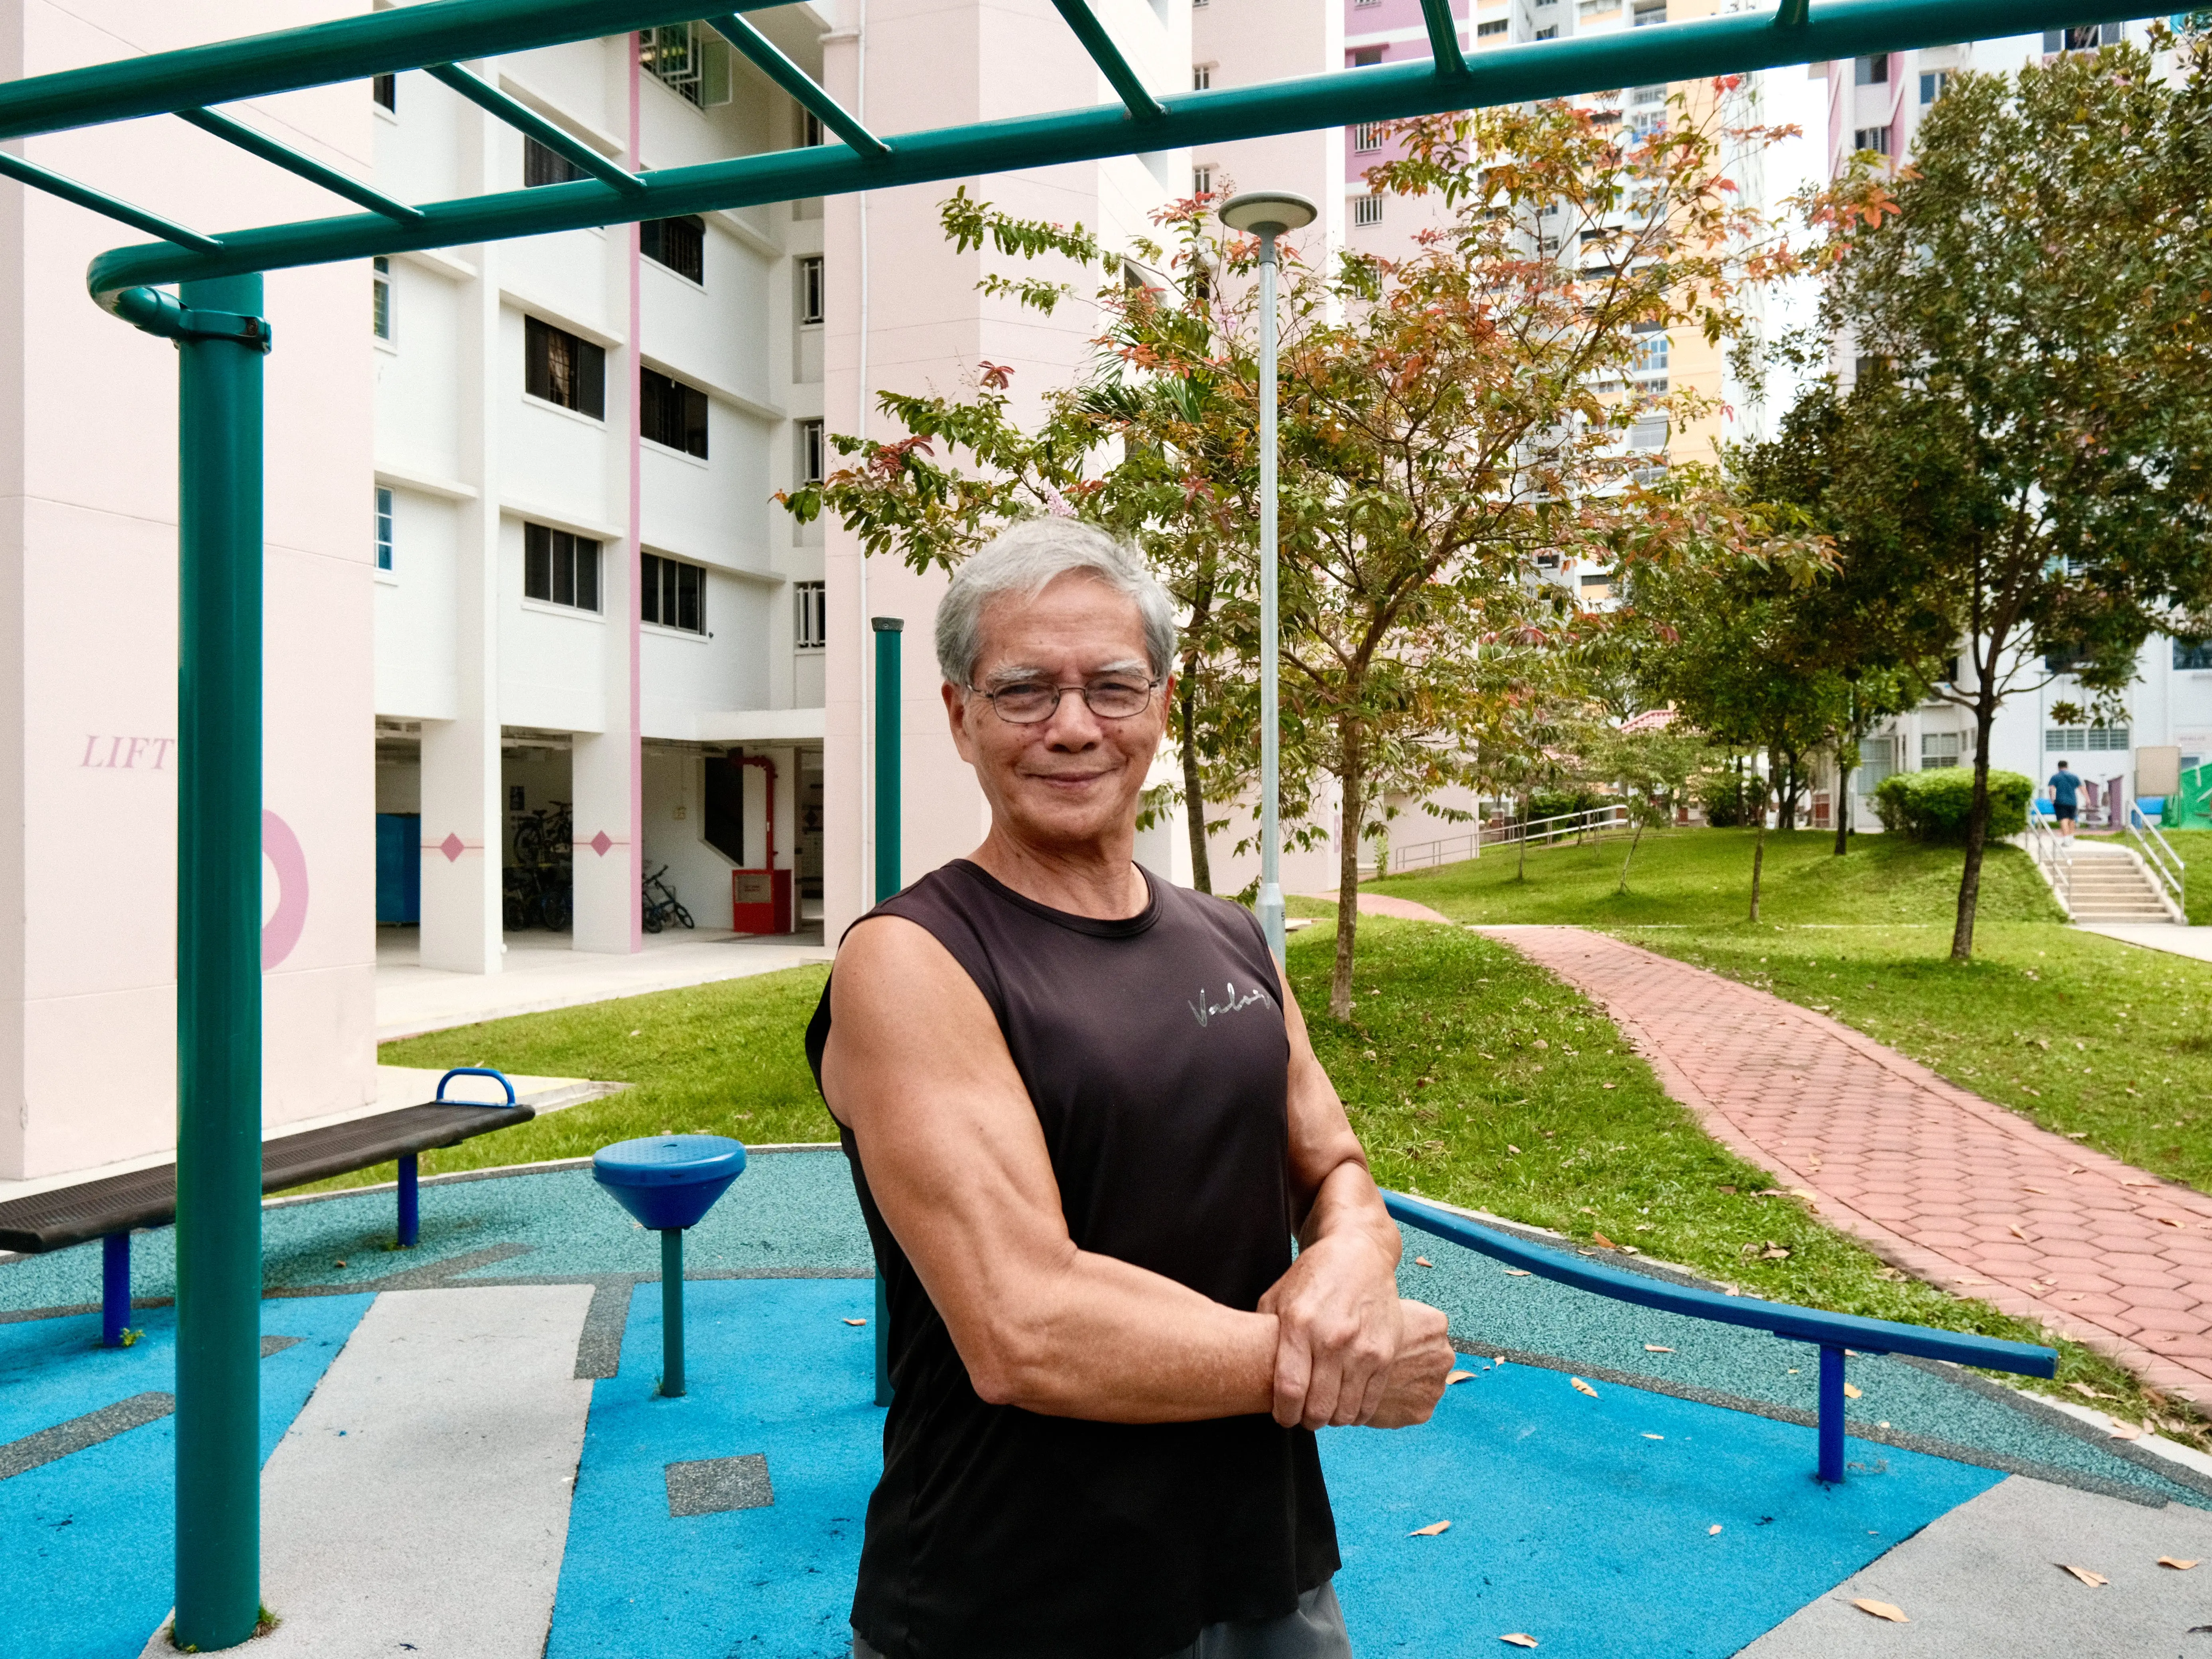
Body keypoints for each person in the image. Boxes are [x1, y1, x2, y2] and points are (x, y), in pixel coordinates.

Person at [807, 518, 1454, 1659]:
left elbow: (1335, 1166)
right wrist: (1343, 1369)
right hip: (1018, 1598)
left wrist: (1358, 1256)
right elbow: (1026, 1326)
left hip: (1270, 1571)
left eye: (1111, 686)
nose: (1071, 727)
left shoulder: (1228, 936)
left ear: (1160, 703)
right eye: (1022, 692)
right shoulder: (913, 960)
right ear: (959, 716)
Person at [2048, 758, 2082, 838]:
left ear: (2058, 767)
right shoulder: (2074, 777)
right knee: (2072, 819)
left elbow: (2051, 788)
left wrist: (2052, 799)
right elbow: (2082, 788)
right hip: (2073, 801)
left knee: (2063, 819)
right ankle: (2071, 836)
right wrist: (2087, 799)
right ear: (2067, 767)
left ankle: (2066, 838)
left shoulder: (2056, 777)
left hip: (2061, 801)